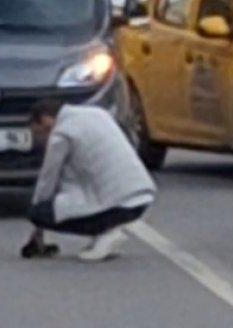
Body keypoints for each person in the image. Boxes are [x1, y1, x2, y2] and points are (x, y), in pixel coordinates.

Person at [22, 99, 158, 261]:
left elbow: (47, 181)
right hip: (142, 195)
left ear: (46, 120)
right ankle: (103, 235)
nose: (42, 140)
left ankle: (105, 234)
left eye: (40, 133)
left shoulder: (62, 134)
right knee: (79, 200)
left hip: (119, 203)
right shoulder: (97, 114)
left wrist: (38, 225)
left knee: (39, 212)